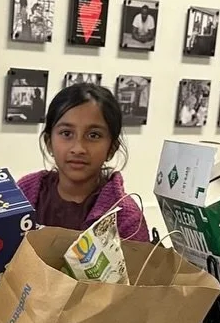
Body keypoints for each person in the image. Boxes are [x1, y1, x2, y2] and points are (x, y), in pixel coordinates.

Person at [18, 83, 148, 241]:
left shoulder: (125, 218)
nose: (78, 148)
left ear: (112, 148)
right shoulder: (24, 194)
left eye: (93, 135)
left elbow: (140, 266)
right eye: (66, 133)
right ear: (49, 142)